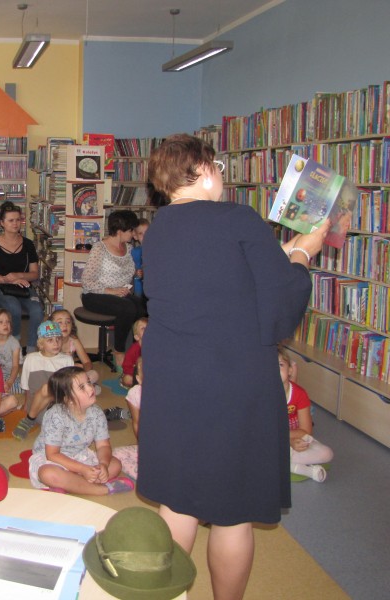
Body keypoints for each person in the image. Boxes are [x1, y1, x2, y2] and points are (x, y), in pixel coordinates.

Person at [139, 133, 328, 599]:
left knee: (178, 500)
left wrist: (279, 256)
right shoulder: (238, 218)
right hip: (232, 376)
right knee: (233, 510)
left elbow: (215, 281)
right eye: (217, 166)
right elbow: (278, 307)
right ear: (203, 170)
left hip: (174, 375)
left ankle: (166, 595)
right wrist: (303, 253)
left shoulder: (158, 228)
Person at [28, 366, 134, 496]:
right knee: (48, 474)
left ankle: (71, 484)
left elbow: (103, 446)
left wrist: (103, 465)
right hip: (54, 458)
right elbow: (52, 455)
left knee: (115, 465)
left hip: (80, 455)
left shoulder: (96, 413)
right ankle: (102, 489)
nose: (90, 388)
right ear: (67, 398)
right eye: (82, 387)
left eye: (89, 382)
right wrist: (83, 469)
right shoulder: (55, 416)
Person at [80, 210, 146, 366]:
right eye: (130, 230)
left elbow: (126, 273)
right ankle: (119, 351)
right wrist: (112, 291)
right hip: (95, 295)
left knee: (142, 306)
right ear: (120, 231)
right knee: (128, 308)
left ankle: (136, 350)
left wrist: (137, 273)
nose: (133, 234)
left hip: (120, 295)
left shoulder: (129, 249)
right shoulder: (100, 248)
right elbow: (87, 281)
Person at [0, 201, 45, 352]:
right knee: (13, 307)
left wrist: (18, 276)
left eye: (18, 220)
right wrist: (7, 279)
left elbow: (34, 273)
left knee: (37, 309)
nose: (15, 223)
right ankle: (14, 347)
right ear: (2, 223)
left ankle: (31, 349)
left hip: (23, 287)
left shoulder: (28, 244)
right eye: (11, 220)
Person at [12, 321, 74, 441]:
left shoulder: (67, 360)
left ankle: (35, 421)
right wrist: (26, 405)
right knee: (47, 387)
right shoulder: (31, 359)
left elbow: (68, 389)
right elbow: (26, 387)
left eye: (58, 339)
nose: (56, 343)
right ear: (41, 344)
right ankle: (29, 420)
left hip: (58, 405)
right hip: (36, 408)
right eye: (50, 340)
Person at [279, 347, 333, 482]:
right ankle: (307, 470)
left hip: (295, 437)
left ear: (290, 370)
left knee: (327, 453)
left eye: (280, 365)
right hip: (274, 442)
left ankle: (287, 463)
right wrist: (288, 441)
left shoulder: (299, 394)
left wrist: (292, 441)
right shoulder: (264, 395)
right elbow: (264, 433)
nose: (274, 369)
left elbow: (306, 430)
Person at [49, 309, 101, 395]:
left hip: (72, 374)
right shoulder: (50, 342)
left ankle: (76, 387)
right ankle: (77, 388)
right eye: (60, 322)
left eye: (68, 322)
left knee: (94, 374)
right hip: (56, 375)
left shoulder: (73, 340)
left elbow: (87, 362)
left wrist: (82, 372)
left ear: (72, 325)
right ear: (51, 326)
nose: (65, 325)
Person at [0, 308, 21, 394]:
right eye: (1, 322)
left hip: (9, 375)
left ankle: (2, 389)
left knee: (23, 386)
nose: (5, 324)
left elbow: (15, 366)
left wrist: (9, 382)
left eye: (8, 322)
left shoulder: (14, 343)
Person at [120, 317, 148, 388]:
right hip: (134, 373)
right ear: (137, 337)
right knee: (128, 379)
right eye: (143, 328)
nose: (147, 330)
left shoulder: (154, 348)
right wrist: (137, 373)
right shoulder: (133, 349)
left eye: (148, 328)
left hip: (147, 373)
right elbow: (126, 366)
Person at [131, 217, 149, 298]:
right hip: (139, 289)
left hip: (153, 290)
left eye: (147, 232)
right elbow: (129, 270)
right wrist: (135, 273)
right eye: (141, 233)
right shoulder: (134, 252)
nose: (145, 236)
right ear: (135, 236)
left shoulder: (156, 251)